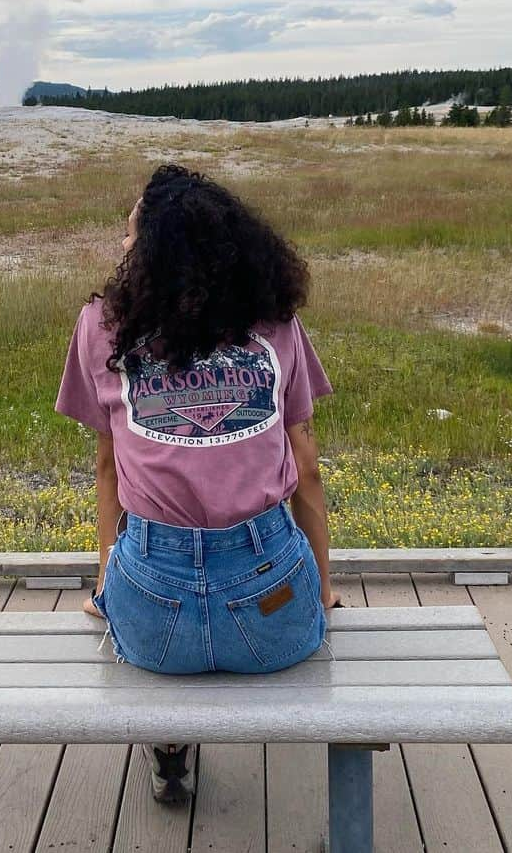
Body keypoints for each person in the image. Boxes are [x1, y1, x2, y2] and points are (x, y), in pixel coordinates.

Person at [54, 163, 343, 805]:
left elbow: (108, 470)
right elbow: (308, 469)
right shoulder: (274, 322)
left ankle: (169, 740)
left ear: (151, 254)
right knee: (282, 600)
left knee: (138, 618)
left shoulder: (103, 325)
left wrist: (106, 588)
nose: (123, 247)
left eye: (131, 237)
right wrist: (321, 591)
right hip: (273, 610)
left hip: (154, 617)